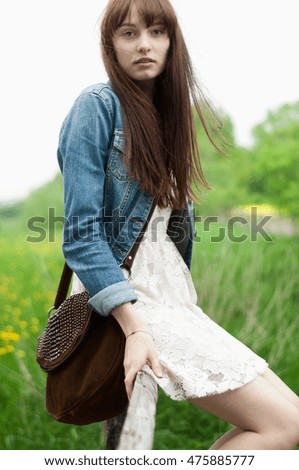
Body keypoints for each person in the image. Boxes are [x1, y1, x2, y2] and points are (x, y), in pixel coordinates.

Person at [57, 0, 299, 450]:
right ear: (110, 45)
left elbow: (172, 230)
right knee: (285, 426)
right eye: (128, 34)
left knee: (293, 418)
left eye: (156, 32)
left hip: (173, 301)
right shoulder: (96, 107)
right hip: (128, 302)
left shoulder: (171, 116)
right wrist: (134, 326)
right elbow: (82, 236)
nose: (144, 44)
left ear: (172, 41)